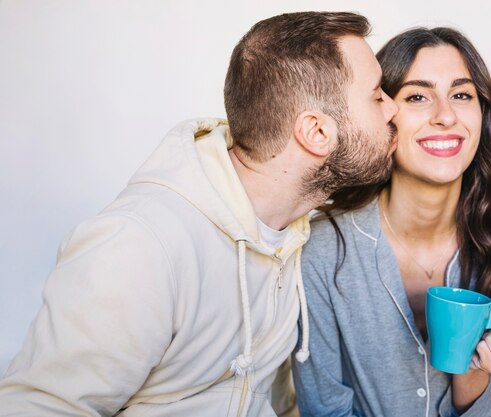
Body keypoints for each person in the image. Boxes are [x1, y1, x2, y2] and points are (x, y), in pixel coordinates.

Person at [0, 11, 399, 417]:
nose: (392, 109)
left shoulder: (292, 235)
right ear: (316, 132)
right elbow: (36, 408)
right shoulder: (139, 246)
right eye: (376, 96)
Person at [292, 27, 491, 417]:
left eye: (462, 95)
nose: (446, 115)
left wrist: (478, 368)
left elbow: (488, 409)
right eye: (418, 96)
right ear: (381, 116)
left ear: (483, 116)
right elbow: (325, 409)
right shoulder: (321, 251)